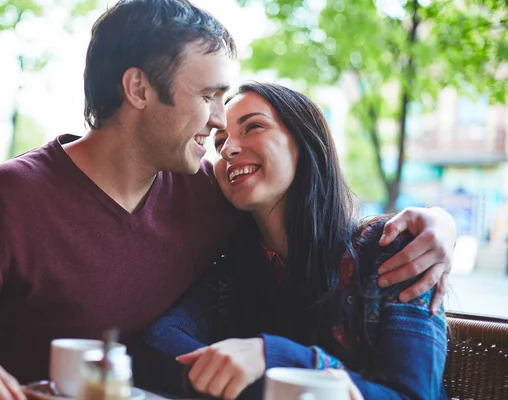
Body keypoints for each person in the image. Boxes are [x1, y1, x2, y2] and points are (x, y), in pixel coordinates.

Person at [0, 1, 454, 399]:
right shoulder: (7, 197)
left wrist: (438, 223)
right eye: (210, 96)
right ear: (139, 89)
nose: (221, 125)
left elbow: (304, 215)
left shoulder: (210, 196)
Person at [133, 83, 449, 400]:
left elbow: (415, 394)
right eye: (220, 142)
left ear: (306, 142)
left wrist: (272, 356)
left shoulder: (394, 249)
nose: (228, 149)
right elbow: (159, 342)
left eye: (253, 126)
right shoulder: (232, 273)